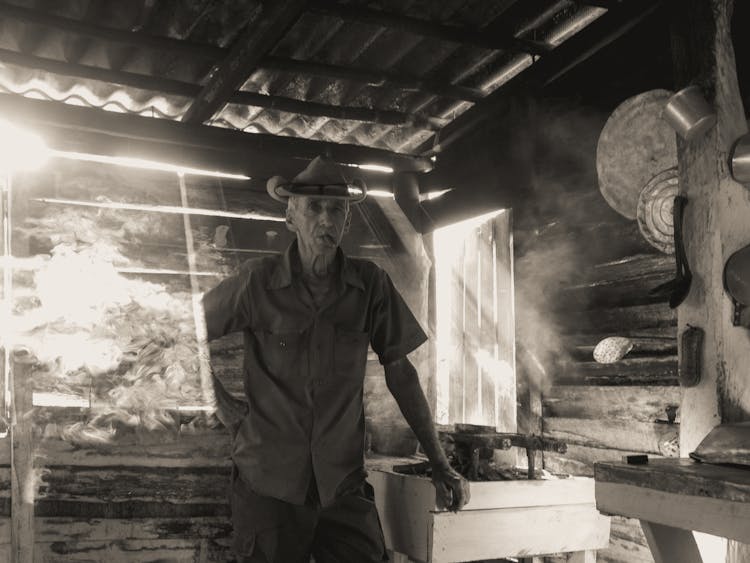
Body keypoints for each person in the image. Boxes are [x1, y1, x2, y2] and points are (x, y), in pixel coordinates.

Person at [202, 156, 469, 563]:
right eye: (314, 208)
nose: (326, 219)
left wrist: (439, 462)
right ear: (291, 216)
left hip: (341, 485)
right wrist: (220, 405)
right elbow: (187, 328)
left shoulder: (369, 285)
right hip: (269, 484)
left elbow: (401, 373)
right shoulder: (258, 281)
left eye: (337, 210)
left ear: (348, 220)